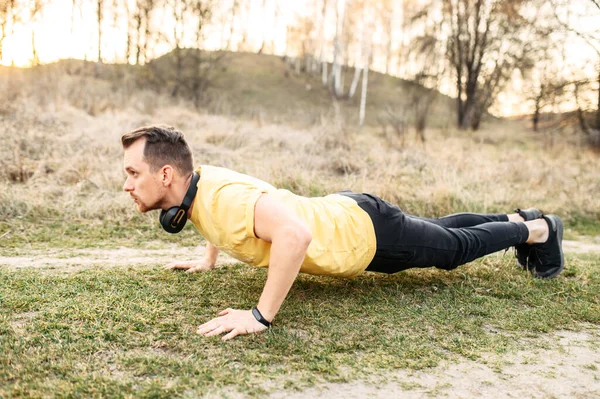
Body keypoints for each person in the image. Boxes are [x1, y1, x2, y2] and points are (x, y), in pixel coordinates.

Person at [121, 125, 564, 341]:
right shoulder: (197, 188)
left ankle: (539, 230)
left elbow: (294, 237)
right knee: (440, 230)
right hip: (350, 214)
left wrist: (259, 316)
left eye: (132, 173)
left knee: (451, 249)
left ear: (165, 174)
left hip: (363, 235)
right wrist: (208, 259)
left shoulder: (226, 198)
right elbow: (217, 218)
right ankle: (516, 219)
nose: (126, 185)